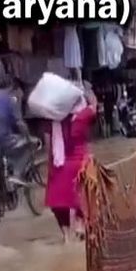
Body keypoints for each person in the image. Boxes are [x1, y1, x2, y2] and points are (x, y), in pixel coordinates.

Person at [45, 82, 97, 243]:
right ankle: (80, 224)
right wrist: (87, 91)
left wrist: (51, 163)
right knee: (82, 196)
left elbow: (48, 144)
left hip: (59, 165)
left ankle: (66, 235)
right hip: (80, 163)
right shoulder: (82, 116)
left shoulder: (52, 120)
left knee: (59, 203)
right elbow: (94, 105)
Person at [0, 78, 29, 179]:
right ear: (14, 88)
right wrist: (28, 136)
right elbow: (19, 123)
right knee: (26, 148)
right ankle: (16, 175)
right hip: (3, 140)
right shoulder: (11, 98)